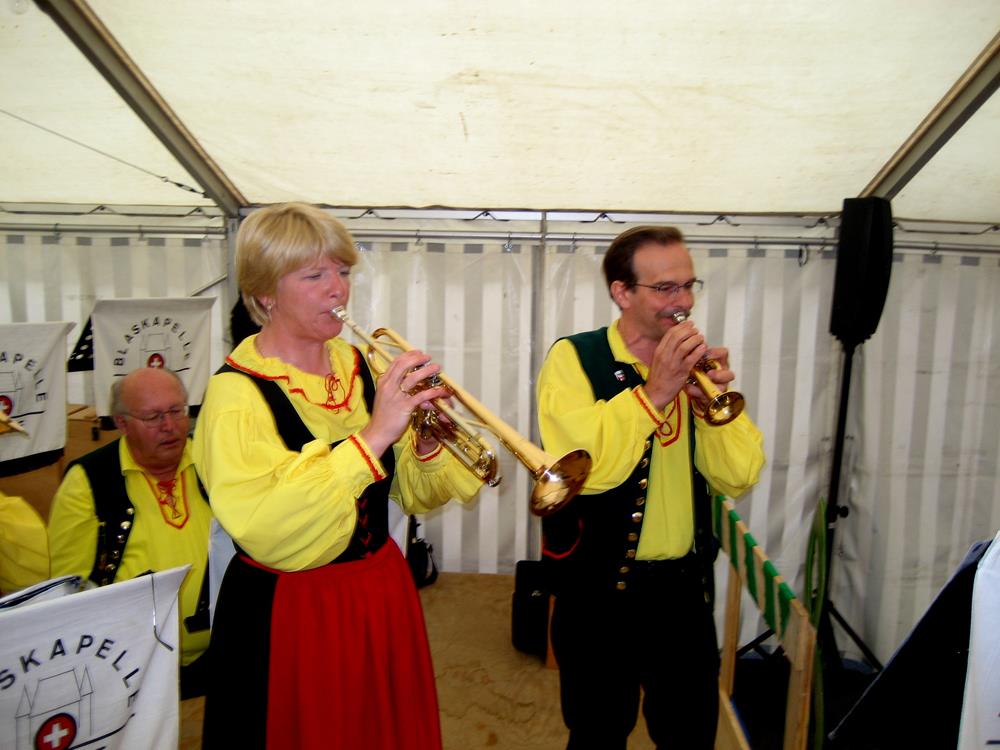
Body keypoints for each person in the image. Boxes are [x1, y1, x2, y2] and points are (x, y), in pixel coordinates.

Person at [193, 201, 483, 749]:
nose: (338, 289)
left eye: (343, 271)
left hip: (379, 591)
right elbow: (267, 526)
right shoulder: (234, 395)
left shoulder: (362, 366)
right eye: (314, 275)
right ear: (265, 293)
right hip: (294, 611)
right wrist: (373, 436)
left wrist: (423, 444)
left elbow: (408, 495)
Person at [536, 225, 766, 750]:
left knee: (690, 735)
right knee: (597, 734)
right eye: (665, 288)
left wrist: (710, 412)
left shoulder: (695, 367)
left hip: (682, 593)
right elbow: (587, 470)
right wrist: (655, 391)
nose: (682, 301)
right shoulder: (574, 358)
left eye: (688, 285)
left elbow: (739, 474)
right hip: (598, 595)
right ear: (621, 292)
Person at [47, 366, 213, 698]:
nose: (169, 426)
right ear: (122, 423)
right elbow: (69, 588)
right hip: (131, 670)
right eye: (152, 417)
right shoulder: (88, 479)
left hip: (222, 658)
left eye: (176, 411)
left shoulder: (211, 459)